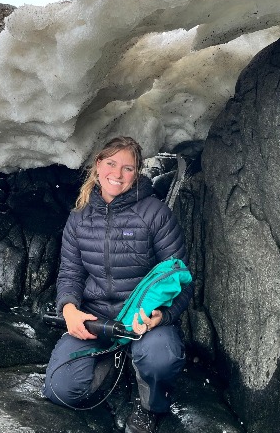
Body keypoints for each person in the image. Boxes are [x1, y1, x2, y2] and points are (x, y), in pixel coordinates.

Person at [43, 136, 193, 433]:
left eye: (128, 168)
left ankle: (151, 403)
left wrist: (163, 316)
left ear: (137, 173)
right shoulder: (79, 218)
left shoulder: (156, 214)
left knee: (161, 359)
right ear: (98, 165)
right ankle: (113, 362)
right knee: (60, 390)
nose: (117, 174)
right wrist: (70, 310)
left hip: (144, 320)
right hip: (96, 319)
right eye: (111, 163)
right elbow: (70, 274)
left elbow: (182, 279)